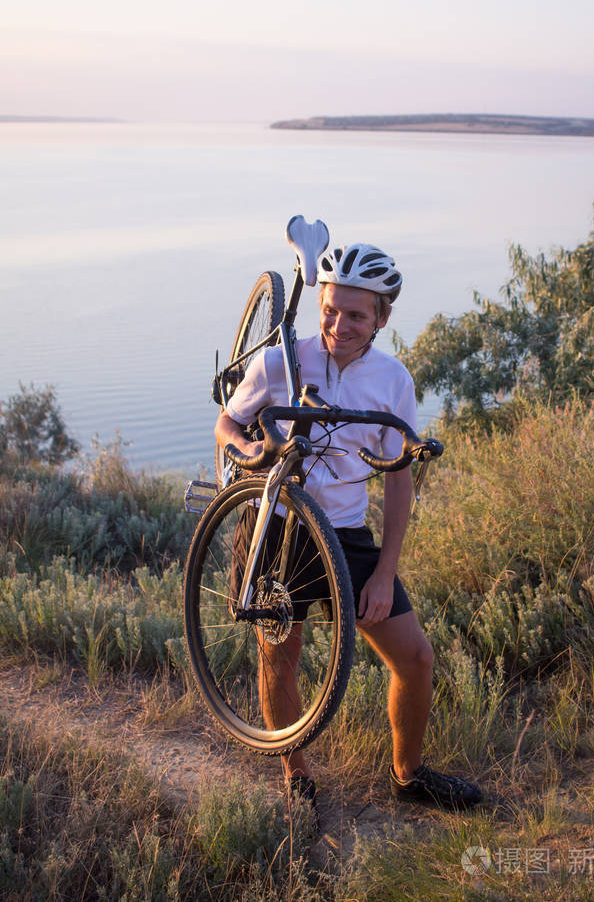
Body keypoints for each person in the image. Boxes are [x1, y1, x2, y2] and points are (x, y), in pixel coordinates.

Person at [215, 241, 482, 813]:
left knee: (414, 658)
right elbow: (227, 423)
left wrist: (385, 572)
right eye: (330, 309)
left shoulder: (393, 382)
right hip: (276, 524)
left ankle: (407, 774)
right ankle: (295, 771)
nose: (339, 324)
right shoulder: (280, 363)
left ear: (382, 317)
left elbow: (398, 479)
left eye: (356, 314)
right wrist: (249, 450)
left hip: (346, 532)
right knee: (279, 656)